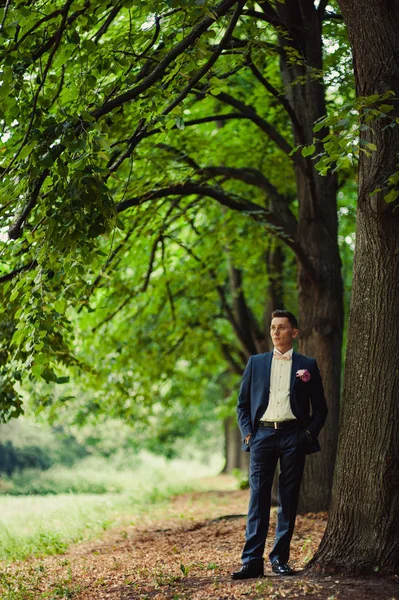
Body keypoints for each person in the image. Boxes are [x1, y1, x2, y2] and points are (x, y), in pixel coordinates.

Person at [231, 309, 328, 579]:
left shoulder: (307, 365)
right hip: (261, 436)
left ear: (294, 333)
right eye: (273, 327)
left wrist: (307, 435)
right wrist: (248, 434)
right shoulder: (256, 362)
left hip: (293, 436)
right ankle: (251, 561)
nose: (276, 331)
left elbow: (320, 408)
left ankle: (279, 559)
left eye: (282, 327)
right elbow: (242, 405)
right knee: (258, 498)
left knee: (288, 499)